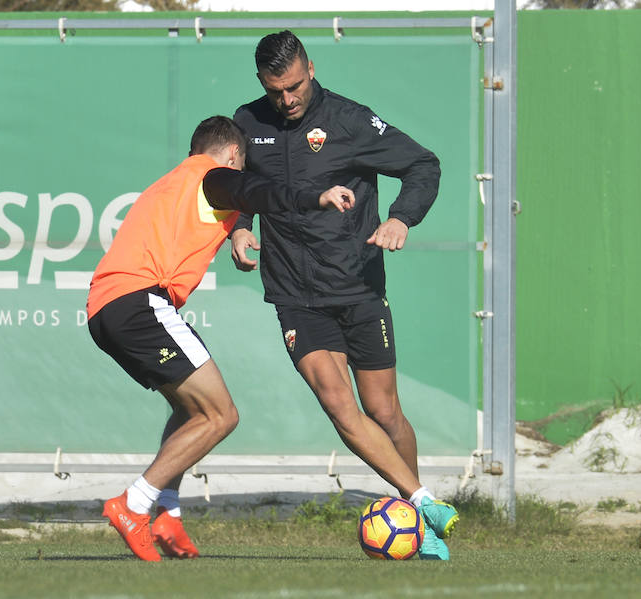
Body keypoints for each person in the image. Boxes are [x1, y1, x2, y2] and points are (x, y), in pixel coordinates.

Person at [228, 31, 459, 560]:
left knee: (383, 410)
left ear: (311, 67)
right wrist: (240, 228)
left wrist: (401, 217)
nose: (286, 100)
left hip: (356, 286)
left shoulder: (352, 121)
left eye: (293, 87)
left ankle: (414, 516)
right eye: (275, 90)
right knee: (338, 403)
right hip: (293, 292)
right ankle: (422, 507)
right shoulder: (249, 122)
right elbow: (236, 186)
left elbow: (424, 165)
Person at [87, 115, 355, 562]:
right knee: (221, 416)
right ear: (233, 156)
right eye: (242, 163)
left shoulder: (175, 181)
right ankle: (134, 505)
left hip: (107, 307)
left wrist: (238, 229)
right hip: (139, 302)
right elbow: (261, 194)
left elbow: (222, 211)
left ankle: (167, 515)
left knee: (188, 408)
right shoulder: (212, 176)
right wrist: (317, 196)